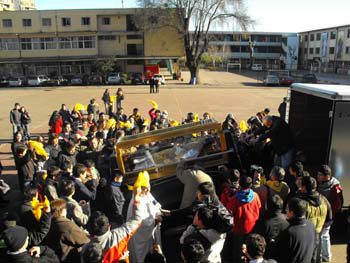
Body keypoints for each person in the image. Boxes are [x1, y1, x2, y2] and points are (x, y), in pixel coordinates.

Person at [83, 187, 143, 262]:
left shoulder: (85, 249)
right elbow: (137, 219)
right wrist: (136, 199)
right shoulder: (118, 236)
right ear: (109, 227)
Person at [222, 176, 261, 263]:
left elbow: (228, 211)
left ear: (240, 184)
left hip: (239, 229)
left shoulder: (235, 198)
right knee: (251, 249)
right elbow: (259, 207)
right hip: (252, 227)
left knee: (237, 251)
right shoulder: (255, 196)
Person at [127, 171, 162, 263]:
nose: (145, 190)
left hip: (150, 234)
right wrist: (155, 221)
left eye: (146, 188)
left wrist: (160, 211)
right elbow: (142, 222)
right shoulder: (136, 202)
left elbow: (155, 203)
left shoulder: (147, 194)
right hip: (140, 237)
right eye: (142, 188)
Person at [298, 176, 332, 263]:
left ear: (304, 187)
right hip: (318, 235)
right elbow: (329, 219)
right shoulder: (324, 200)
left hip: (304, 239)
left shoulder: (301, 203)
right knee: (317, 258)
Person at [272, 198, 316, 263]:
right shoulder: (311, 225)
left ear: (291, 213)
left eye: (287, 209)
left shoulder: (289, 232)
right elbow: (314, 248)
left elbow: (279, 255)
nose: (285, 211)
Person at [317, 164, 343, 262]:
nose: (317, 177)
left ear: (327, 176)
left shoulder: (334, 186)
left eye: (320, 175)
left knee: (324, 236)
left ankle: (326, 256)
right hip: (323, 214)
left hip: (327, 215)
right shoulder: (321, 184)